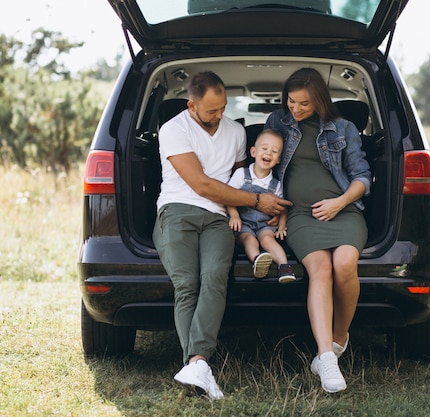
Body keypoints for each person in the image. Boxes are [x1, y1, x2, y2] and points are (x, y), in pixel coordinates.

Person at [152, 71, 292, 400]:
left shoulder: (236, 131)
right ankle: (198, 364)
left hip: (219, 216)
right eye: (212, 110)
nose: (219, 116)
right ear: (192, 105)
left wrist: (254, 209)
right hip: (177, 210)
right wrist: (257, 201)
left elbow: (241, 179)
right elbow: (201, 184)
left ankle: (196, 365)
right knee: (187, 284)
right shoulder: (174, 129)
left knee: (215, 276)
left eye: (223, 108)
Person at [264, 68, 371, 393]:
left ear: (320, 101)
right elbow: (264, 162)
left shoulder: (344, 128)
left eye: (304, 105)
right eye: (291, 101)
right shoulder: (278, 123)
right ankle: (326, 357)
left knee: (344, 266)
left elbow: (363, 177)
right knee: (321, 269)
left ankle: (339, 339)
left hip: (344, 211)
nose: (295, 109)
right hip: (300, 216)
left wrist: (338, 203)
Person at [226, 129, 296, 284]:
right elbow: (229, 197)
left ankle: (284, 267)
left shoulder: (276, 184)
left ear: (278, 160)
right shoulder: (241, 174)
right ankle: (257, 260)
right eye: (264, 149)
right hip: (243, 224)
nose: (268, 153)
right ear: (253, 151)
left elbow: (283, 207)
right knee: (249, 239)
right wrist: (234, 216)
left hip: (265, 224)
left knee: (268, 239)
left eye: (274, 151)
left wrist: (282, 225)